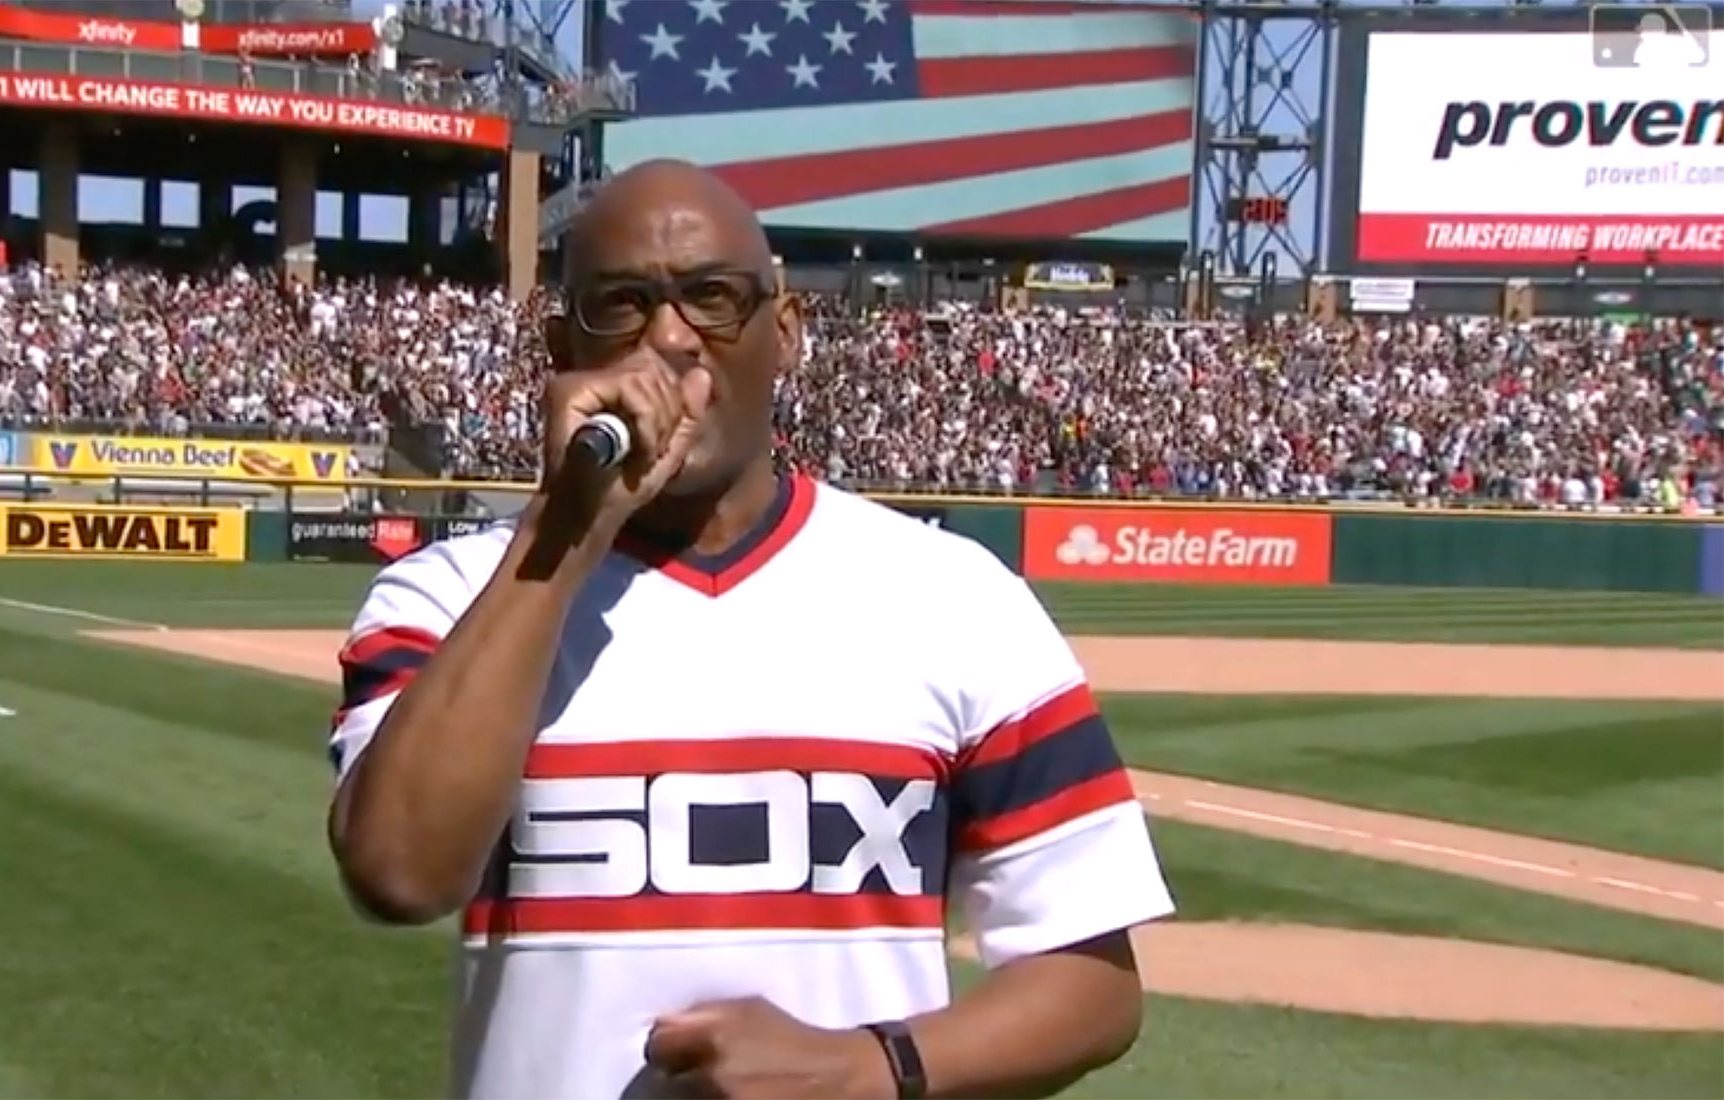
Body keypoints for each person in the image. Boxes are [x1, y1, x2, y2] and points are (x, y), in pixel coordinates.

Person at [325, 159, 1175, 1100]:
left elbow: (1093, 985)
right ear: (563, 346)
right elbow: (400, 872)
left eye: (714, 298)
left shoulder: (956, 596)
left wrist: (868, 1066)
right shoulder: (448, 598)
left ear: (786, 333)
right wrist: (562, 536)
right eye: (621, 303)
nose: (669, 338)